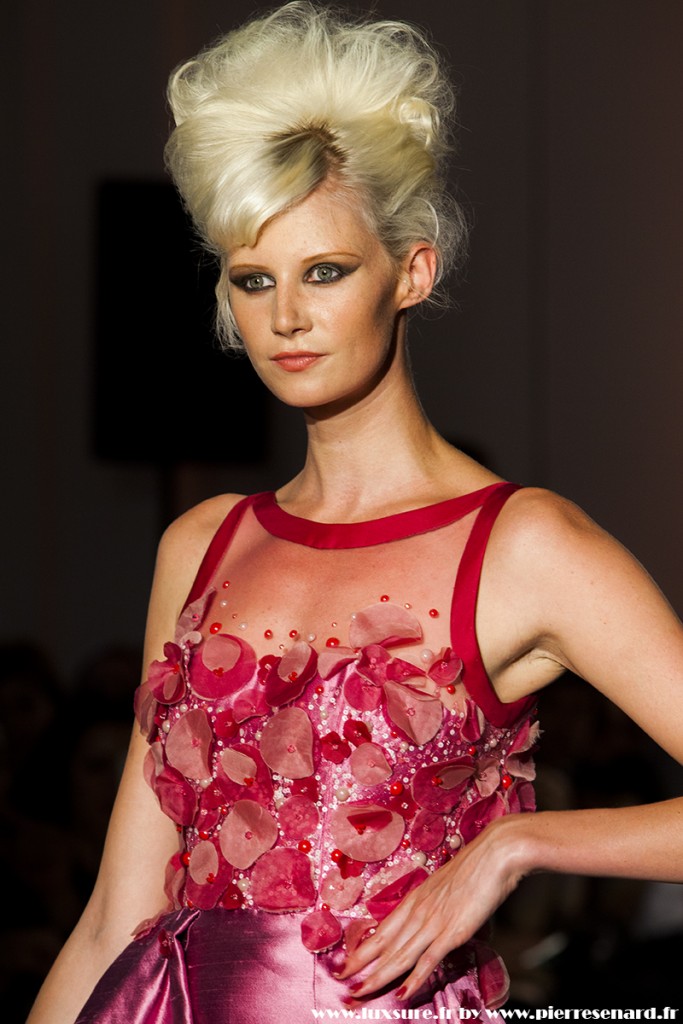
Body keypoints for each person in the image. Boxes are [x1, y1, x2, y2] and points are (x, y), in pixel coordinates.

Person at [27, 3, 683, 1022]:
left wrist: (518, 844)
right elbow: (116, 916)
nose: (285, 316)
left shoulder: (521, 546)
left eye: (324, 271)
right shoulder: (201, 545)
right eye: (253, 281)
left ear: (411, 270)